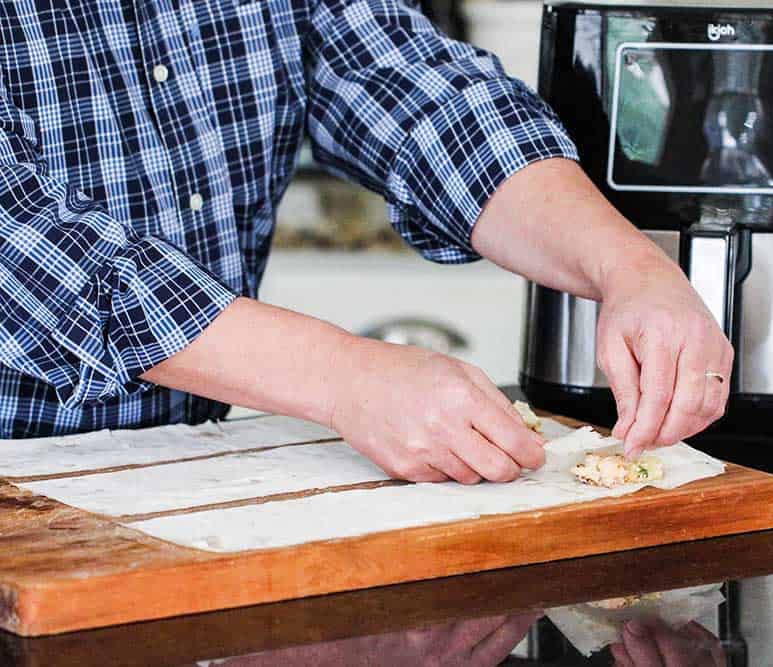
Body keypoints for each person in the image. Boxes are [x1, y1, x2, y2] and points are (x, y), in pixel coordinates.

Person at [0, 0, 732, 483]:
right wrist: (348, 377)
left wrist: (629, 263)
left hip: (185, 474)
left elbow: (423, 96)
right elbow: (35, 252)